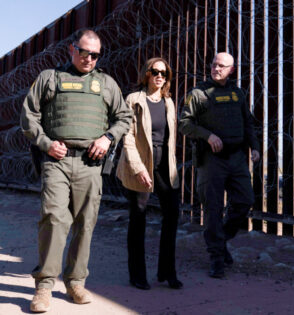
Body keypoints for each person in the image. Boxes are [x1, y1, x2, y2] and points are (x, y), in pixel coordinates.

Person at [20, 28, 132, 313]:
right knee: (54, 219)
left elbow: (124, 116)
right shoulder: (50, 78)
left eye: (96, 55)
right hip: (57, 160)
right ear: (72, 50)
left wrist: (108, 138)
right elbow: (28, 115)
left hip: (90, 164)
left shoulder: (106, 83)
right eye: (85, 53)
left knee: (86, 222)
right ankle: (45, 285)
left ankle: (75, 282)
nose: (90, 59)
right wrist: (45, 143)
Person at [179, 52, 260, 278]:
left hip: (236, 158)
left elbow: (248, 124)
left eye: (222, 66)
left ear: (231, 70)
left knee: (245, 201)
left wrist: (254, 147)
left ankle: (221, 239)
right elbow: (184, 123)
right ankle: (216, 257)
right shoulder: (198, 93)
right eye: (214, 64)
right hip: (211, 159)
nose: (217, 68)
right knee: (213, 209)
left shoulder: (237, 94)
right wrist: (207, 135)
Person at [116, 57, 183, 290]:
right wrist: (138, 167)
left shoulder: (169, 102)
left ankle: (167, 271)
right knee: (138, 218)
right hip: (140, 163)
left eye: (164, 73)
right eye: (155, 71)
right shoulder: (133, 100)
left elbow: (170, 138)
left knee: (172, 214)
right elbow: (127, 137)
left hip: (165, 165)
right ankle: (137, 275)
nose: (159, 76)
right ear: (146, 72)